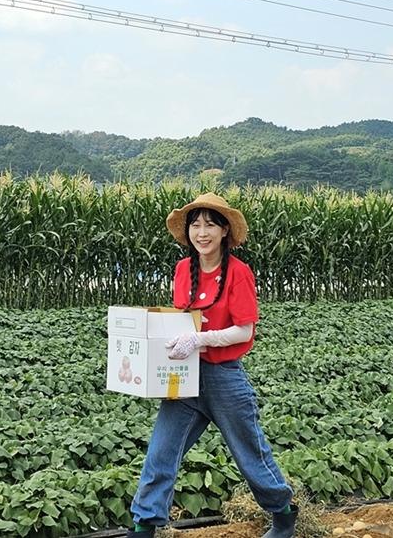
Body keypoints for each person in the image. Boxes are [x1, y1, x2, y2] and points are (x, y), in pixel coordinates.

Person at [126, 192, 297, 538]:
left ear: (224, 232)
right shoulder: (181, 271)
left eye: (210, 225)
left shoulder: (238, 273)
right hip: (185, 375)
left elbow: (244, 330)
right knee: (161, 453)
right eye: (196, 225)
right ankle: (143, 527)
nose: (202, 233)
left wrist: (200, 339)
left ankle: (284, 515)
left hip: (224, 378)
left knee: (250, 454)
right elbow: (181, 320)